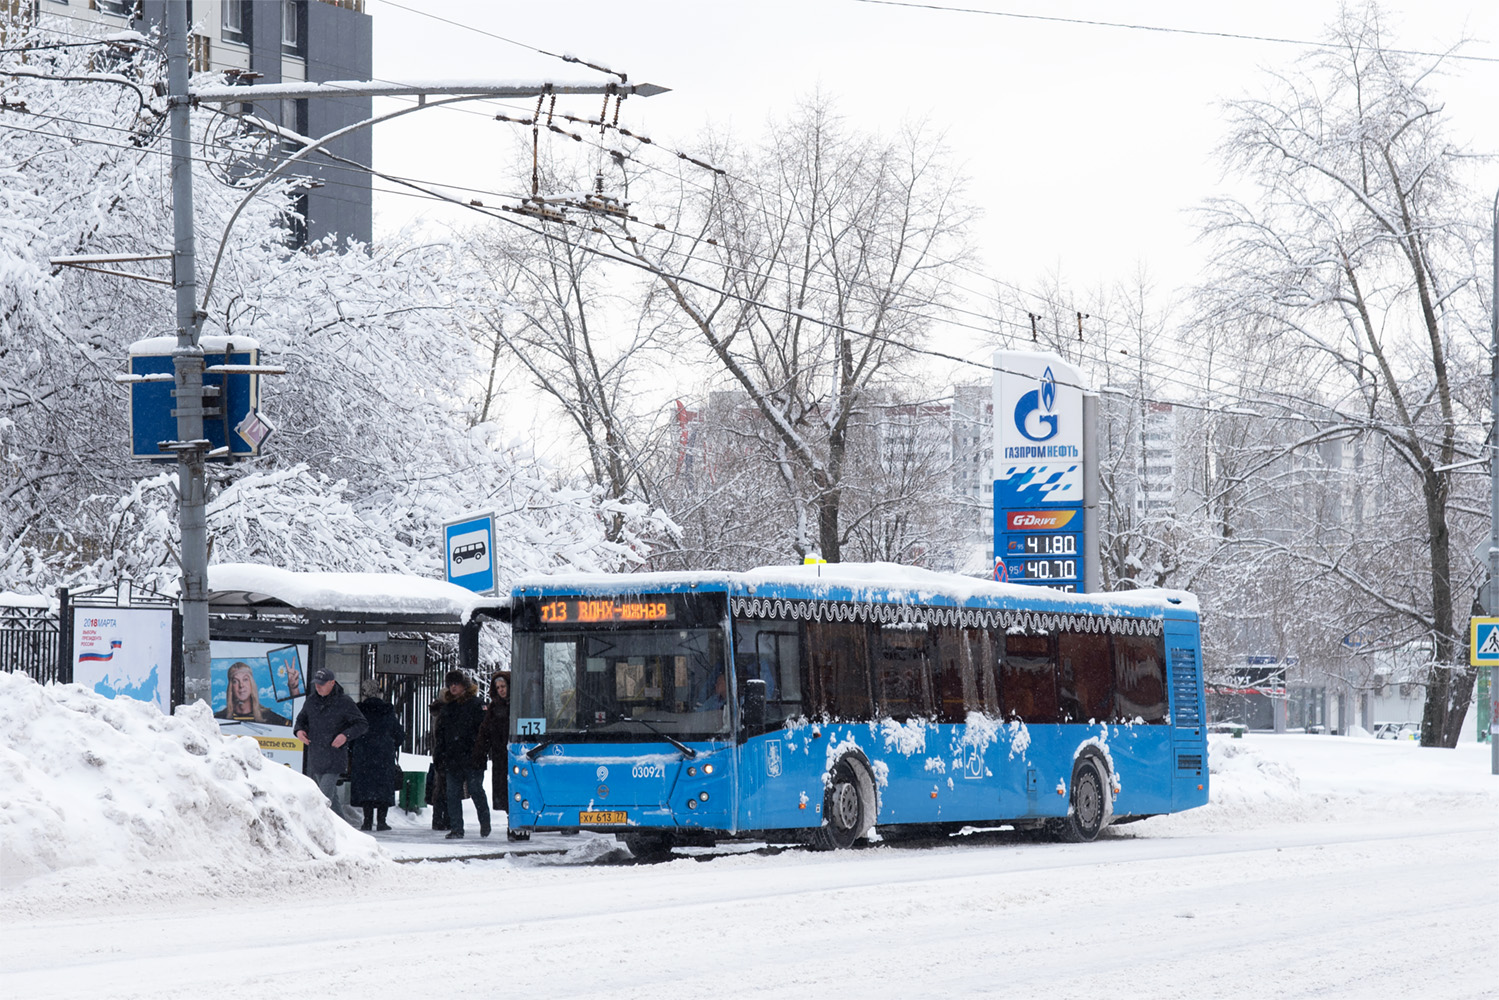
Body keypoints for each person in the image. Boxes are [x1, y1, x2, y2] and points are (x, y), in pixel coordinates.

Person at [293, 669, 368, 818]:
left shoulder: (344, 702)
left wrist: (345, 736)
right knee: (332, 800)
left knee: (322, 797)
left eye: (322, 684)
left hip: (335, 756)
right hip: (317, 755)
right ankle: (345, 830)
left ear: (332, 683)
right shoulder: (311, 701)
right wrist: (299, 731)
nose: (318, 687)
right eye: (316, 684)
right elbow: (301, 720)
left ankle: (316, 827)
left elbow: (362, 724)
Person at [431, 669, 491, 839]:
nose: (452, 688)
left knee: (475, 789)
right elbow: (441, 734)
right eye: (449, 685)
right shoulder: (448, 708)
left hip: (472, 756)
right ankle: (457, 828)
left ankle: (484, 822)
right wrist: (439, 755)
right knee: (452, 793)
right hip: (453, 757)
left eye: (455, 684)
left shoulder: (477, 705)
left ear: (464, 685)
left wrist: (481, 752)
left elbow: (484, 731)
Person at [476, 670, 528, 841]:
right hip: (500, 756)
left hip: (519, 753)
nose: (501, 690)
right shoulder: (494, 708)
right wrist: (480, 752)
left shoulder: (520, 705)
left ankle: (519, 824)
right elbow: (485, 732)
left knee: (519, 788)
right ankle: (512, 821)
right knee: (505, 790)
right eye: (498, 687)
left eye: (503, 686)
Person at [349, 678, 405, 832]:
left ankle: (367, 821)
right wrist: (392, 745)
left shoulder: (358, 710)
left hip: (363, 754)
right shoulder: (387, 710)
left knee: (366, 788)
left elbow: (352, 732)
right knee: (382, 788)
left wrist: (355, 747)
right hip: (383, 754)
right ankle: (382, 821)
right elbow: (399, 733)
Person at [215, 661, 291, 726]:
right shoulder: (217, 719)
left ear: (252, 684)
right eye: (235, 681)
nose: (241, 685)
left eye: (245, 679)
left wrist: (294, 688)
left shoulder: (271, 718)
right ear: (230, 687)